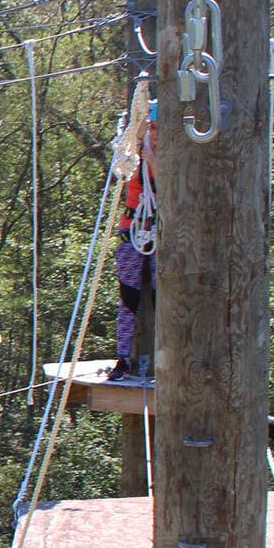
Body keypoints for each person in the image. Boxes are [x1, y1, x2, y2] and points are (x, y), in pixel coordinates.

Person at [112, 102, 157, 382]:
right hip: (133, 233)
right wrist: (143, 123)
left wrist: (153, 157)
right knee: (129, 300)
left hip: (159, 236)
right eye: (155, 129)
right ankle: (123, 357)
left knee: (162, 297)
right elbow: (131, 147)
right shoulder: (133, 159)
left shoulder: (170, 162)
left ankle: (164, 358)